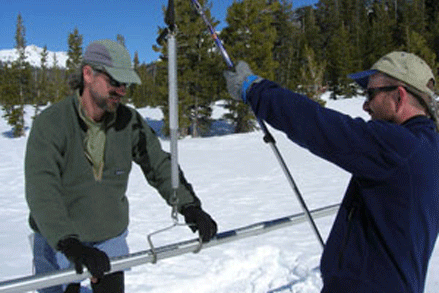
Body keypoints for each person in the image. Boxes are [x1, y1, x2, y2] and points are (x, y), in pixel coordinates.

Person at [223, 51, 439, 293]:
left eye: (371, 93)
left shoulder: (400, 147)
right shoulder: (427, 147)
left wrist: (256, 90)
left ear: (399, 97)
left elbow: (319, 125)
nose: (365, 105)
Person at [25, 39, 217, 293]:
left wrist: (190, 207)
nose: (122, 91)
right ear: (88, 74)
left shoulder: (129, 122)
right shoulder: (52, 123)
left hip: (109, 237)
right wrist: (68, 242)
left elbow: (158, 164)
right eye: (115, 82)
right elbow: (42, 189)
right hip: (59, 239)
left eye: (125, 84)